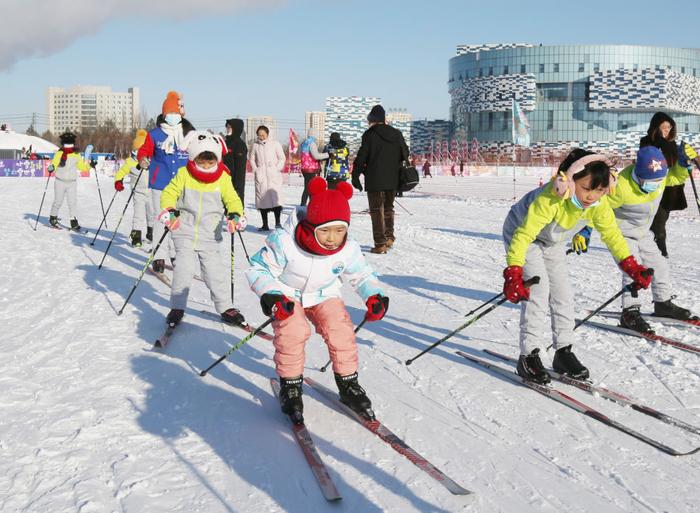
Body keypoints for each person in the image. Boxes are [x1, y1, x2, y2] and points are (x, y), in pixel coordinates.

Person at [246, 177, 388, 424]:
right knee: (294, 330)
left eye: (340, 230)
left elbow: (362, 274)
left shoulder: (347, 248)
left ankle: (348, 384)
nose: (333, 238)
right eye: (325, 231)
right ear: (312, 225)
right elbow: (259, 268)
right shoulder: (286, 242)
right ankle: (290, 386)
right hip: (287, 294)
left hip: (324, 294)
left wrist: (374, 295)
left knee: (340, 329)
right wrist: (271, 295)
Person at [502, 149, 649, 384]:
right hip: (524, 237)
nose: (592, 196)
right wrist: (514, 272)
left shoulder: (598, 205)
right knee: (539, 293)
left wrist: (631, 266)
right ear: (569, 181)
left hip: (552, 241)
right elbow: (524, 235)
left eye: (600, 190)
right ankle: (528, 356)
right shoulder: (550, 199)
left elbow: (613, 236)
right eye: (587, 188)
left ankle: (563, 352)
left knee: (563, 295)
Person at [571, 146, 696, 333]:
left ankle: (663, 303)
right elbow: (597, 204)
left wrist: (683, 164)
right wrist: (585, 228)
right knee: (632, 267)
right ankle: (630, 311)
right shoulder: (620, 186)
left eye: (658, 181)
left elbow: (675, 177)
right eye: (649, 181)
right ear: (638, 174)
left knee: (660, 264)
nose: (654, 185)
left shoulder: (659, 179)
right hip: (621, 233)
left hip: (643, 231)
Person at [159, 130, 247, 327]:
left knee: (214, 273)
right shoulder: (184, 174)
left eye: (210, 162)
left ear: (217, 159)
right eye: (202, 161)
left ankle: (225, 307)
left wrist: (235, 214)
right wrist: (170, 209)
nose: (206, 166)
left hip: (210, 234)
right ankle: (177, 307)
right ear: (194, 157)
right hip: (185, 231)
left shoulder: (222, 178)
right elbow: (169, 192)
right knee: (184, 269)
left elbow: (232, 199)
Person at [137, 91, 195, 273]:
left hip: (182, 185)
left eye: (176, 114)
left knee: (180, 221)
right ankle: (159, 256)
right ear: (164, 115)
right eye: (170, 114)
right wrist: (143, 159)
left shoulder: (188, 134)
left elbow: (197, 153)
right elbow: (143, 151)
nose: (173, 117)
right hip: (160, 183)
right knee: (161, 219)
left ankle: (176, 254)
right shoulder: (154, 134)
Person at [352, 104, 409, 254]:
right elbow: (405, 153)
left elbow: (362, 156)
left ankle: (380, 244)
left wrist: (355, 175)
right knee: (389, 208)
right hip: (392, 179)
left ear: (372, 120)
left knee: (377, 211)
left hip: (375, 179)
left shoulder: (369, 135)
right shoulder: (396, 133)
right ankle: (389, 237)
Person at [644, 112, 687, 257]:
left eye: (669, 127)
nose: (666, 130)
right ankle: (661, 249)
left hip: (670, 189)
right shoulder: (647, 142)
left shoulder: (672, 144)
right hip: (653, 188)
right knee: (659, 223)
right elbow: (648, 163)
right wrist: (661, 143)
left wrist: (684, 162)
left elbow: (675, 169)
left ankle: (651, 240)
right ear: (656, 127)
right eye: (663, 127)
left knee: (661, 219)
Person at [113, 129, 153, 247]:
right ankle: (136, 237)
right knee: (138, 215)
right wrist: (118, 181)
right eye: (136, 149)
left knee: (152, 214)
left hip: (151, 191)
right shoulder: (130, 162)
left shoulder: (152, 161)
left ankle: (151, 234)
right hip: (138, 193)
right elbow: (121, 172)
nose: (138, 152)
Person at [47, 131, 93, 231]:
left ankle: (74, 222)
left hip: (72, 182)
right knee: (58, 201)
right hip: (60, 181)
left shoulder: (76, 155)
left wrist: (90, 165)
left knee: (72, 202)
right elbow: (54, 164)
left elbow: (82, 167)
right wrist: (51, 167)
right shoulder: (59, 153)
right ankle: (53, 218)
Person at [249, 125, 285, 231]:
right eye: (259, 135)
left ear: (267, 134)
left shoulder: (275, 144)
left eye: (263, 134)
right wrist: (256, 169)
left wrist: (277, 168)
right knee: (262, 200)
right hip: (261, 176)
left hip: (273, 174)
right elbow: (251, 159)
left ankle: (278, 223)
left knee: (276, 200)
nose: (261, 137)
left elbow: (282, 158)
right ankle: (265, 224)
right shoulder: (255, 145)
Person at [300, 128, 329, 205]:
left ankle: (303, 204)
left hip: (304, 168)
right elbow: (316, 156)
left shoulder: (304, 143)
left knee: (307, 187)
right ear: (314, 134)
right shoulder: (312, 143)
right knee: (311, 188)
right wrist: (327, 155)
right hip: (311, 169)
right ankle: (312, 204)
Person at [223, 118, 247, 203]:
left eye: (230, 127)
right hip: (223, 179)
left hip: (234, 181)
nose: (227, 129)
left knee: (234, 205)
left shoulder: (240, 144)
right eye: (227, 127)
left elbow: (240, 168)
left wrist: (238, 186)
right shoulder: (225, 142)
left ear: (236, 129)